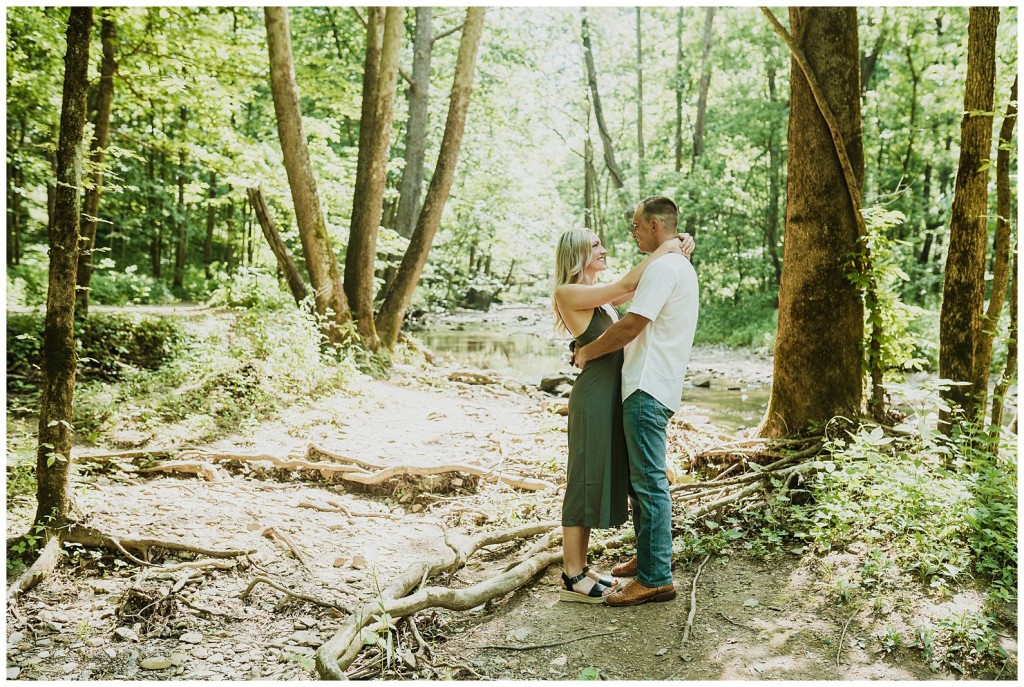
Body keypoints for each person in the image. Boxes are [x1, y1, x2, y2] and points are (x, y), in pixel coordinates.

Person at [552, 225, 694, 603]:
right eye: (594, 245)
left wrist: (678, 248)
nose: (603, 248)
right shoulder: (570, 292)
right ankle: (571, 575)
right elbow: (628, 282)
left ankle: (581, 567)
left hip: (612, 397)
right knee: (583, 480)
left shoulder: (604, 302)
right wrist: (666, 244)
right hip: (595, 398)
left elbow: (642, 285)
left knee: (596, 478)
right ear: (578, 254)